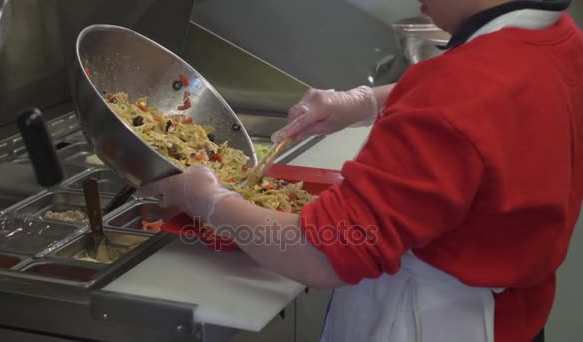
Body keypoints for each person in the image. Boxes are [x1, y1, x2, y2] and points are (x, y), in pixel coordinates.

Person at [138, 0, 583, 341]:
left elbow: (323, 252)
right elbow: (489, 91)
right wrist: (362, 103)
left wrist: (207, 200)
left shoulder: (454, 97)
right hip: (512, 318)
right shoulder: (561, 37)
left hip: (430, 325)